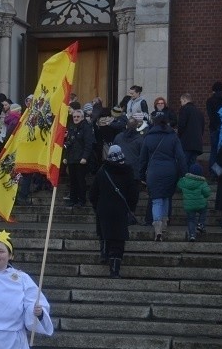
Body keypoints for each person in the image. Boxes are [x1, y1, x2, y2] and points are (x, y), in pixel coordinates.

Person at [89, 145, 140, 277]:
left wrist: (97, 206)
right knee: (118, 240)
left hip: (104, 210)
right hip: (120, 211)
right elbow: (133, 193)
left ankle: (104, 254)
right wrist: (131, 208)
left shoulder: (102, 171)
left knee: (105, 234)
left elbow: (92, 194)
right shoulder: (128, 171)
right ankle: (114, 270)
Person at [139, 114, 187, 241]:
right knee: (166, 197)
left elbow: (143, 159)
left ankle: (157, 227)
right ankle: (164, 223)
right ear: (166, 123)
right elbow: (181, 157)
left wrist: (141, 175)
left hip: (153, 171)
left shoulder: (148, 137)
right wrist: (184, 173)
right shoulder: (173, 136)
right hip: (170, 171)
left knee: (156, 199)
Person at [63, 109, 95, 208]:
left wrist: (85, 157)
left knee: (81, 181)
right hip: (72, 158)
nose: (76, 118)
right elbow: (68, 143)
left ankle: (82, 200)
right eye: (74, 117)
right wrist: (65, 157)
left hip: (81, 159)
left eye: (78, 117)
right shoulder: (72, 127)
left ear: (82, 117)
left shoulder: (86, 127)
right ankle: (73, 199)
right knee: (72, 181)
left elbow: (88, 144)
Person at [176, 163, 211, 241]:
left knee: (191, 220)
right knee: (204, 210)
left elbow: (178, 186)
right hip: (200, 204)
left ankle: (192, 235)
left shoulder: (184, 181)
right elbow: (207, 193)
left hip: (189, 206)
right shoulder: (202, 182)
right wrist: (204, 197)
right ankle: (201, 224)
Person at [177, 93, 206, 171]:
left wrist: (178, 137)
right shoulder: (199, 112)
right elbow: (202, 128)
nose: (181, 103)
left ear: (184, 100)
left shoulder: (184, 109)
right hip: (197, 144)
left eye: (181, 101)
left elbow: (181, 125)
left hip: (186, 143)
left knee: (184, 165)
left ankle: (184, 182)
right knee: (192, 166)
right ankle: (191, 182)